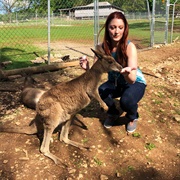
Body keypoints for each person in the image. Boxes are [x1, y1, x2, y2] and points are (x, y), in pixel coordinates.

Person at [79, 11, 146, 133]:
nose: (116, 32)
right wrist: (88, 68)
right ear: (107, 28)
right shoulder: (101, 48)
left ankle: (132, 116)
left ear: (124, 29)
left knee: (126, 101)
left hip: (134, 82)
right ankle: (113, 112)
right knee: (102, 90)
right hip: (115, 82)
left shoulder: (129, 47)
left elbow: (132, 79)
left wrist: (126, 73)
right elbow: (95, 73)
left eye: (120, 28)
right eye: (112, 27)